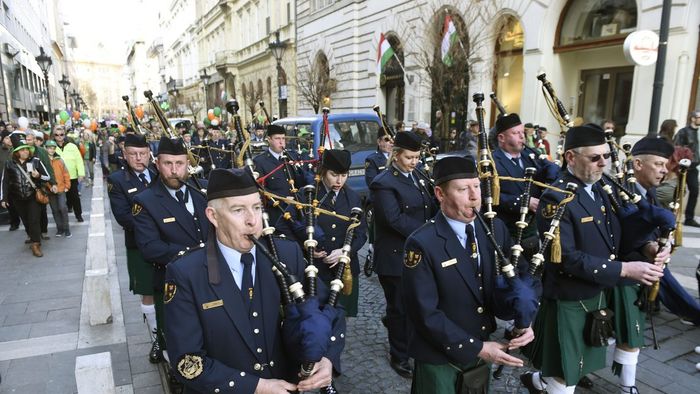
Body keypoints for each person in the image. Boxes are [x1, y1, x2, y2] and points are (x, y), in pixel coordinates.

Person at [163, 167, 344, 393]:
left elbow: (330, 309)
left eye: (257, 208)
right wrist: (255, 387)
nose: (252, 221)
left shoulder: (287, 253)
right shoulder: (186, 273)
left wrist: (327, 358)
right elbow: (187, 362)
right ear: (213, 216)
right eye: (238, 210)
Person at [521, 124, 665, 394]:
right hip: (568, 296)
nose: (603, 163)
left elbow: (619, 234)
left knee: (578, 366)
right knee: (566, 373)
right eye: (595, 157)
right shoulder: (557, 198)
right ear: (571, 158)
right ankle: (541, 381)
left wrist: (647, 247)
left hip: (595, 291)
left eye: (606, 156)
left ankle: (537, 381)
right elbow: (567, 259)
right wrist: (624, 269)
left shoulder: (599, 190)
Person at [403, 155, 534, 393]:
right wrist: (478, 348)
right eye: (463, 189)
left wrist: (524, 317)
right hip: (439, 357)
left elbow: (521, 275)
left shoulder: (494, 229)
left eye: (477, 186)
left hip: (481, 347)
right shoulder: (422, 243)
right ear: (440, 194)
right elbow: (424, 313)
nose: (475, 196)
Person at [132, 136, 209, 371]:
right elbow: (150, 248)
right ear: (157, 164)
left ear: (188, 163)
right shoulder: (145, 201)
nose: (174, 170)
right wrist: (201, 253)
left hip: (211, 277)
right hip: (173, 283)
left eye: (180, 163)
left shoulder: (201, 190)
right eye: (168, 164)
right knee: (179, 341)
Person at [370, 131, 437, 378]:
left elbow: (429, 205)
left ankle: (409, 341)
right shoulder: (384, 182)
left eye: (417, 157)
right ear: (396, 155)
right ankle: (399, 355)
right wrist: (429, 231)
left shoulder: (418, 176)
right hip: (395, 256)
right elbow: (394, 220)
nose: (414, 161)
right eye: (409, 157)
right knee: (399, 308)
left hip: (418, 253)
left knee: (416, 305)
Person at [276, 149, 367, 316]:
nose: (339, 180)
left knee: (341, 319)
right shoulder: (307, 195)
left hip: (343, 270)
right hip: (315, 272)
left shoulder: (352, 197)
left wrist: (345, 252)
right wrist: (305, 248)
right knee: (316, 319)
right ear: (323, 171)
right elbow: (282, 226)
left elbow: (361, 233)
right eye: (334, 174)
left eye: (344, 175)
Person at [108, 133, 161, 363]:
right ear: (125, 155)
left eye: (143, 153)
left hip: (167, 242)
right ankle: (157, 338)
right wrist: (158, 221)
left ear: (150, 153)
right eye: (133, 154)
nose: (139, 158)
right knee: (148, 292)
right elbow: (124, 217)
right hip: (139, 246)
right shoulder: (118, 180)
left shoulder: (159, 173)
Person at [491, 113, 559, 258]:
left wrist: (548, 184)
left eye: (522, 132)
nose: (522, 136)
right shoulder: (492, 162)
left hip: (533, 229)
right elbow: (488, 195)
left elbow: (552, 169)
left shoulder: (530, 156)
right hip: (506, 231)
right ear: (501, 138)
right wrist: (523, 202)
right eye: (516, 133)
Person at [0, 134, 51, 257]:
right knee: (26, 221)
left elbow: (47, 176)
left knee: (34, 220)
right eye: (23, 150)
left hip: (33, 197)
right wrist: (4, 198)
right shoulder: (9, 164)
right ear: (17, 152)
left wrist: (38, 176)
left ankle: (35, 244)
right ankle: (34, 235)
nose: (26, 151)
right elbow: (5, 182)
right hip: (17, 198)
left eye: (27, 149)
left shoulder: (36, 161)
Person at [253, 124, 311, 225]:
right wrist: (283, 199)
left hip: (296, 211)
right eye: (277, 138)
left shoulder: (291, 157)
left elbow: (301, 182)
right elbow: (261, 189)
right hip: (276, 213)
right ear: (269, 139)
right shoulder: (260, 161)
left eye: (283, 138)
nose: (281, 142)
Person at [52, 126, 85, 222]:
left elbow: (79, 160)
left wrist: (81, 174)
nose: (59, 136)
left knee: (74, 197)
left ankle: (78, 215)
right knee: (61, 199)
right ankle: (63, 217)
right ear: (54, 135)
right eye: (56, 134)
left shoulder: (72, 146)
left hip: (72, 176)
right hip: (58, 178)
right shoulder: (51, 147)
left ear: (64, 134)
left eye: (61, 134)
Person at [673, 110, 700, 226]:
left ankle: (689, 218)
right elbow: (677, 148)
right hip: (683, 166)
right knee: (678, 191)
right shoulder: (683, 132)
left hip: (694, 167)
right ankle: (672, 214)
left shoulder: (699, 132)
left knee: (694, 190)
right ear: (693, 118)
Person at [44, 140, 71, 238]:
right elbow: (44, 176)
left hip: (61, 188)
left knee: (63, 208)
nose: (51, 150)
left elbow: (66, 173)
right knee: (55, 210)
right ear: (46, 148)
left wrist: (67, 186)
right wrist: (50, 187)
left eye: (53, 148)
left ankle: (67, 228)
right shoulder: (44, 161)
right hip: (50, 190)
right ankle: (60, 228)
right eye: (49, 148)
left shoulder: (59, 160)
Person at [0, 130, 20, 231]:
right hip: (5, 180)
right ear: (3, 139)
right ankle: (14, 222)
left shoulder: (16, 149)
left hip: (17, 178)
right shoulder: (1, 150)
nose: (9, 140)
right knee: (9, 202)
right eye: (7, 138)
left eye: (10, 137)